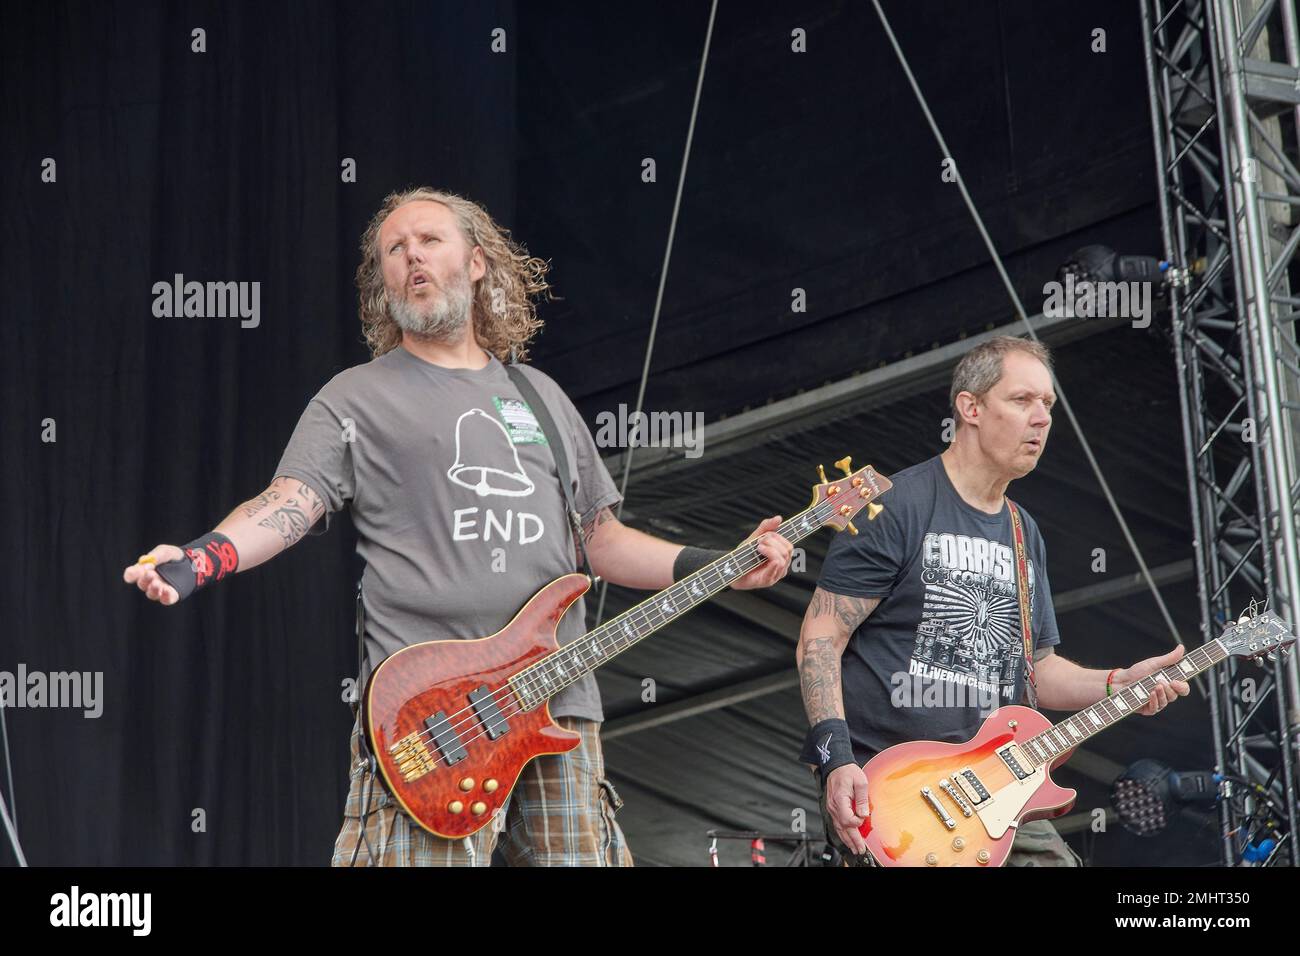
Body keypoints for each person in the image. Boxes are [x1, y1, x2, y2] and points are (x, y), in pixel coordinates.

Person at [123, 186, 794, 866]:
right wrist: (202, 557)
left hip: (556, 697)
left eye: (429, 240)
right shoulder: (357, 396)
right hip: (431, 710)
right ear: (382, 280)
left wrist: (724, 561)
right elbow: (289, 502)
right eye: (394, 249)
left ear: (477, 263)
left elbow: (602, 542)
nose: (411, 255)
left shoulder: (541, 398)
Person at [795, 335, 1190, 867]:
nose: (1041, 419)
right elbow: (821, 638)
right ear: (971, 407)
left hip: (994, 795)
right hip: (894, 795)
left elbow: (1039, 671)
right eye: (1022, 400)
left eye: (1047, 405)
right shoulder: (895, 505)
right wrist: (834, 758)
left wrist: (1119, 683)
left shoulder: (1023, 531)